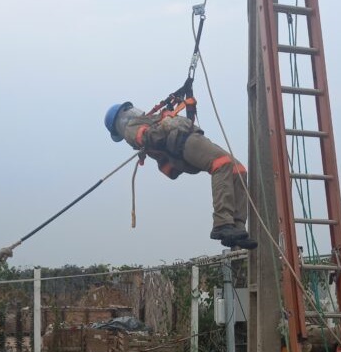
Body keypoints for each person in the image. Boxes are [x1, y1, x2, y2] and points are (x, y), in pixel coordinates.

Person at [104, 101, 257, 249]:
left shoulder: (151, 117)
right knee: (221, 163)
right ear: (120, 121)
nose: (129, 115)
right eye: (124, 114)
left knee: (239, 170)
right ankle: (222, 223)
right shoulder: (131, 128)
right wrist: (167, 125)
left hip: (192, 137)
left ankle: (237, 227)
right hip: (182, 143)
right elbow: (147, 137)